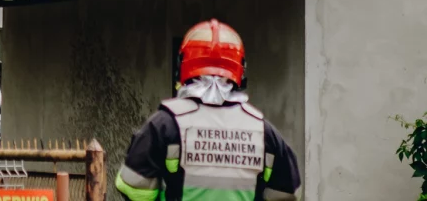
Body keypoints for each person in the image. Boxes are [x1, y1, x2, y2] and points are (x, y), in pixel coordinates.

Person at [115, 19, 301, 201]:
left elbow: (134, 188)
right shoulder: (264, 132)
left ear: (183, 65)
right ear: (240, 70)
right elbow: (288, 193)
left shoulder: (164, 125)